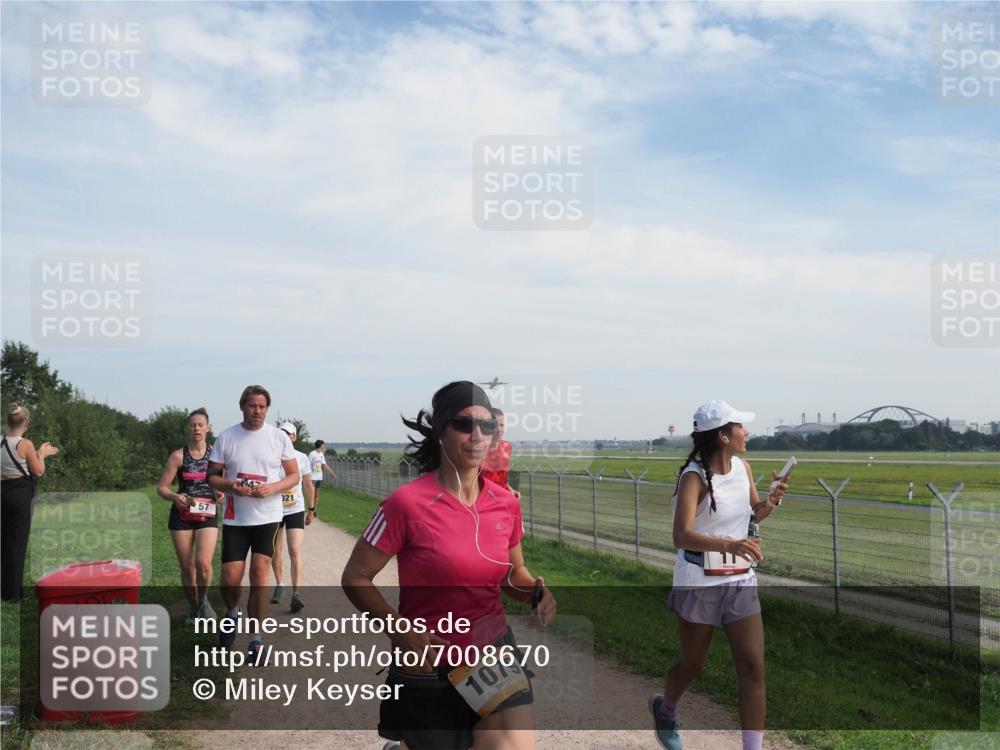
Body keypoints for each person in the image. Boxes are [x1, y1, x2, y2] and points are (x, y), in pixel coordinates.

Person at [342, 381, 556, 750]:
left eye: (487, 426)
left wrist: (535, 592)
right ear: (441, 430)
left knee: (512, 746)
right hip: (428, 657)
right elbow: (355, 576)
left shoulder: (506, 504)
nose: (477, 435)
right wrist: (398, 629)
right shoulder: (405, 504)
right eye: (464, 424)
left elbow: (510, 572)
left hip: (491, 651)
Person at [650, 400, 790, 750]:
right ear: (724, 436)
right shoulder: (694, 477)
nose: (748, 432)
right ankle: (665, 708)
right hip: (699, 580)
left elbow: (752, 516)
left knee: (753, 669)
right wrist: (730, 544)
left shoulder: (742, 468)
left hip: (740, 580)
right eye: (741, 427)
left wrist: (770, 502)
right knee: (693, 665)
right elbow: (681, 535)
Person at [207, 385, 300, 660]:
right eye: (251, 405)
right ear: (242, 407)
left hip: (268, 517)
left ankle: (256, 638)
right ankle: (232, 612)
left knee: (260, 574)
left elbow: (293, 475)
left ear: (267, 409)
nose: (256, 411)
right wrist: (233, 486)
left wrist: (272, 488)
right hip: (237, 519)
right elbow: (212, 477)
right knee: (230, 579)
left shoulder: (278, 438)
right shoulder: (227, 437)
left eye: (262, 406)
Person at [156, 408, 221, 623]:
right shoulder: (178, 455)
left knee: (203, 563)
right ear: (187, 428)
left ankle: (203, 601)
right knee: (186, 566)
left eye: (200, 425)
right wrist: (175, 497)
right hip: (182, 516)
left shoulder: (216, 456)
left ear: (207, 428)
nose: (196, 428)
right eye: (193, 425)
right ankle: (194, 608)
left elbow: (225, 483)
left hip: (207, 513)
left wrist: (223, 493)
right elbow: (162, 488)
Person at [1, 404, 59, 602]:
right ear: (27, 423)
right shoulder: (25, 444)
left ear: (8, 421)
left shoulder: (1, 441)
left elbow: (14, 460)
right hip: (20, 496)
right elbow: (38, 471)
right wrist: (43, 453)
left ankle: (4, 589)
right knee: (16, 544)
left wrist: (36, 452)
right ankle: (13, 595)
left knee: (3, 543)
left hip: (2, 494)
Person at [270, 421, 314, 613]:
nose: (284, 437)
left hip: (295, 509)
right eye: (281, 434)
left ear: (294, 437)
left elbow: (308, 485)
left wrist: (312, 509)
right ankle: (280, 584)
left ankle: (297, 595)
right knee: (275, 551)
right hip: (273, 509)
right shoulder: (270, 457)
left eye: (288, 434)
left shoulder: (302, 458)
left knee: (295, 550)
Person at [481, 408, 519, 499]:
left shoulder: (507, 447)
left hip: (502, 498)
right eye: (495, 425)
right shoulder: (477, 449)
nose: (499, 429)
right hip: (483, 501)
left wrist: (510, 490)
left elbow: (501, 479)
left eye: (502, 425)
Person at [307, 439, 336, 515]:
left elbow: (324, 465)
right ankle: (311, 509)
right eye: (323, 445)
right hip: (312, 477)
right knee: (312, 494)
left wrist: (332, 473)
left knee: (317, 494)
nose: (324, 446)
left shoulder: (321, 454)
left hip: (319, 477)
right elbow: (307, 465)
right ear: (320, 445)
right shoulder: (312, 454)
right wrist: (309, 475)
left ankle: (314, 510)